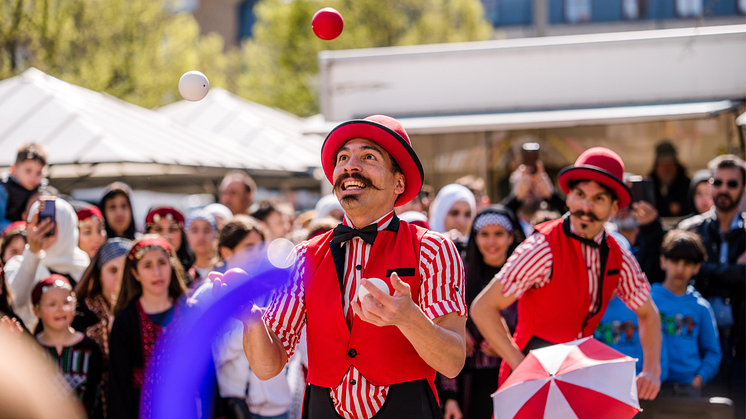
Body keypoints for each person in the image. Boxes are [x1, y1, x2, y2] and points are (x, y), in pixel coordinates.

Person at [214, 115, 467, 419]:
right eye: (343, 157)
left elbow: (452, 361)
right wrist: (252, 321)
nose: (350, 165)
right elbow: (267, 366)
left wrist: (409, 318)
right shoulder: (303, 257)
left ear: (399, 182)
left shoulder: (432, 249)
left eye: (368, 156)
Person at [470, 147, 662, 400]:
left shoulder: (619, 254)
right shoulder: (542, 247)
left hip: (577, 375)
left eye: (598, 199)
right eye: (580, 194)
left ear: (614, 208)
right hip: (531, 376)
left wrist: (651, 369)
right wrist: (520, 364)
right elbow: (482, 308)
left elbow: (648, 313)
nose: (585, 206)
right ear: (568, 197)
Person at [678, 154, 745, 413]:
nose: (724, 189)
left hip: (741, 347)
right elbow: (681, 277)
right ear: (709, 186)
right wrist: (734, 273)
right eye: (718, 182)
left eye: (732, 183)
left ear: (743, 188)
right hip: (698, 346)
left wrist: (706, 271)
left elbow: (698, 273)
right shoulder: (690, 230)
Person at [454, 205, 525, 419]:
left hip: (515, 375)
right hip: (470, 383)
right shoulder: (460, 276)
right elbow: (440, 317)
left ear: (511, 237)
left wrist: (507, 344)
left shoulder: (525, 276)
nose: (491, 242)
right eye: (484, 234)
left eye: (499, 234)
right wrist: (457, 330)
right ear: (475, 238)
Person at [107, 235, 187, 419]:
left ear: (171, 265)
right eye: (147, 265)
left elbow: (207, 372)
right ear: (135, 273)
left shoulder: (189, 313)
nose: (157, 272)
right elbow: (118, 384)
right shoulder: (125, 321)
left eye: (162, 263)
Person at [652, 230, 721, 397]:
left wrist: (698, 380)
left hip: (689, 390)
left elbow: (713, 352)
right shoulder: (647, 301)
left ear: (697, 267)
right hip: (652, 387)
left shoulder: (701, 307)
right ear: (663, 261)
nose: (680, 268)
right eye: (674, 261)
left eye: (687, 263)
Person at [5, 198, 90, 330]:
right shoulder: (17, 265)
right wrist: (33, 252)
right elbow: (14, 301)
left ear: (67, 225)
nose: (43, 228)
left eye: (50, 222)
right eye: (38, 222)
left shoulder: (85, 265)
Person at [74, 238, 132, 418]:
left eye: (125, 270)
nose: (120, 277)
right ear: (100, 274)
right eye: (113, 270)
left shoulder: (144, 308)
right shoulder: (81, 313)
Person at [33, 275, 103, 418]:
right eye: (52, 304)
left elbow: (96, 397)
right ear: (36, 311)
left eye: (66, 302)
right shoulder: (30, 349)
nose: (60, 309)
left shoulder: (90, 348)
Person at [501, 160, 567, 238]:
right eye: (525, 182)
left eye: (534, 184)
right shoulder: (507, 224)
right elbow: (496, 216)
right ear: (514, 189)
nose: (529, 189)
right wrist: (516, 199)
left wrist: (551, 195)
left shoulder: (554, 221)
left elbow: (574, 218)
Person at [0, 143, 47, 231]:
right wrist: (19, 227)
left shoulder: (41, 191)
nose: (33, 177)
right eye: (28, 171)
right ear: (13, 169)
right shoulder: (3, 189)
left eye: (38, 173)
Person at [145, 207, 195, 285]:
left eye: (173, 229)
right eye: (158, 229)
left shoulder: (194, 277)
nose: (166, 236)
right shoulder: (138, 274)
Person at [647, 141, 691, 217]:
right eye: (663, 165)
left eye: (670, 165)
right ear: (656, 167)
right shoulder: (649, 185)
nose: (666, 169)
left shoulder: (687, 184)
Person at [185, 210, 219, 285]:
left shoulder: (223, 268)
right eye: (194, 230)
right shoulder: (182, 273)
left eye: (207, 230)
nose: (201, 236)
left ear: (215, 234)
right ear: (186, 235)